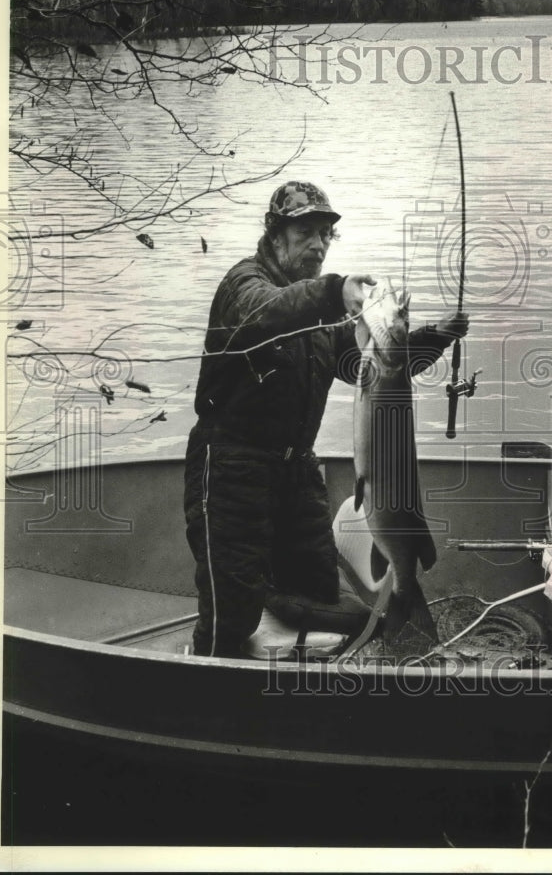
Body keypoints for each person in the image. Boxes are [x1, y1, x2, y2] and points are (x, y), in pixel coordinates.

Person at [183, 180, 469, 657]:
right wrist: (336, 291)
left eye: (324, 235)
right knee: (228, 621)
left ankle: (272, 619)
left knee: (333, 604)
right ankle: (210, 681)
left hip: (296, 477)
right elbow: (268, 313)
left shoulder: (316, 313)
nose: (317, 245)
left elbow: (373, 367)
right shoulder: (245, 287)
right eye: (305, 234)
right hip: (231, 475)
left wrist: (434, 336)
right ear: (276, 236)